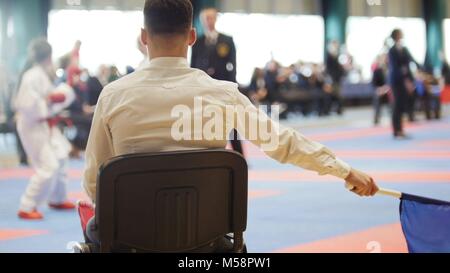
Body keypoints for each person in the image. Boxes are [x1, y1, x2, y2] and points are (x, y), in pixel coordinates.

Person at [82, 0, 379, 251]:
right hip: (207, 244)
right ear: (192, 37)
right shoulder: (223, 94)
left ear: (144, 37)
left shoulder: (113, 96)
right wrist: (345, 170)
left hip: (132, 241)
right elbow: (283, 143)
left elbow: (96, 183)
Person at [14, 38, 76, 220]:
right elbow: (27, 105)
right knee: (48, 165)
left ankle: (57, 198)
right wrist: (50, 100)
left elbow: (49, 99)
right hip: (32, 125)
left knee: (62, 156)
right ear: (48, 56)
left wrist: (58, 98)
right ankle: (27, 205)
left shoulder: (40, 73)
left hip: (45, 123)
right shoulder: (32, 76)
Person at [190, 7, 244, 156]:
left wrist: (232, 85)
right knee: (205, 122)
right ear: (202, 21)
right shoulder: (197, 42)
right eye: (206, 18)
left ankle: (239, 154)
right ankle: (208, 155)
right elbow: (192, 65)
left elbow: (233, 64)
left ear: (216, 19)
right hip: (203, 88)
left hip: (223, 86)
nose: (209, 21)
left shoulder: (226, 40)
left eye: (212, 18)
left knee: (230, 121)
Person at [388, 29, 420, 139]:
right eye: (399, 34)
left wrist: (422, 69)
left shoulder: (405, 49)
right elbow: (395, 67)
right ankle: (396, 131)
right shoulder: (391, 50)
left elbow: (412, 61)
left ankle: (401, 129)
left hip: (405, 80)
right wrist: (405, 79)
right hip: (396, 81)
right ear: (395, 36)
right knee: (396, 105)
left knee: (402, 105)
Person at [325, 41, 345, 115]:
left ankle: (338, 110)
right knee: (331, 95)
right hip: (332, 79)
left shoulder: (338, 56)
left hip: (337, 79)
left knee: (338, 95)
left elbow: (340, 69)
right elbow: (328, 69)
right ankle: (329, 110)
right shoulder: (329, 56)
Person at [371, 54, 391, 126]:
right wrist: (380, 89)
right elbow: (374, 83)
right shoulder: (377, 71)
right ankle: (376, 118)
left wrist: (387, 88)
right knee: (377, 97)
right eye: (382, 59)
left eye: (385, 59)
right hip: (381, 90)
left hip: (390, 90)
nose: (384, 61)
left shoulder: (390, 69)